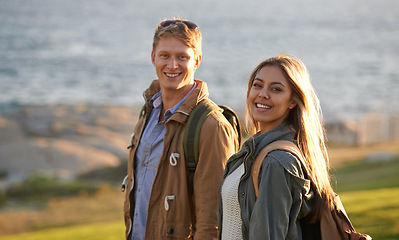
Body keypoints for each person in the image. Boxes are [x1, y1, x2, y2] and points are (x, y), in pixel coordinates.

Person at [122, 18, 240, 240]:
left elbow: (213, 222)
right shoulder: (148, 111)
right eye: (165, 55)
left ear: (197, 61)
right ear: (152, 57)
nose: (172, 65)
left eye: (182, 57)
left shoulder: (212, 126)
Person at [217, 54, 335, 239]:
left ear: (293, 101)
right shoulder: (254, 150)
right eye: (257, 85)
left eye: (276, 89)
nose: (263, 94)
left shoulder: (276, 162)